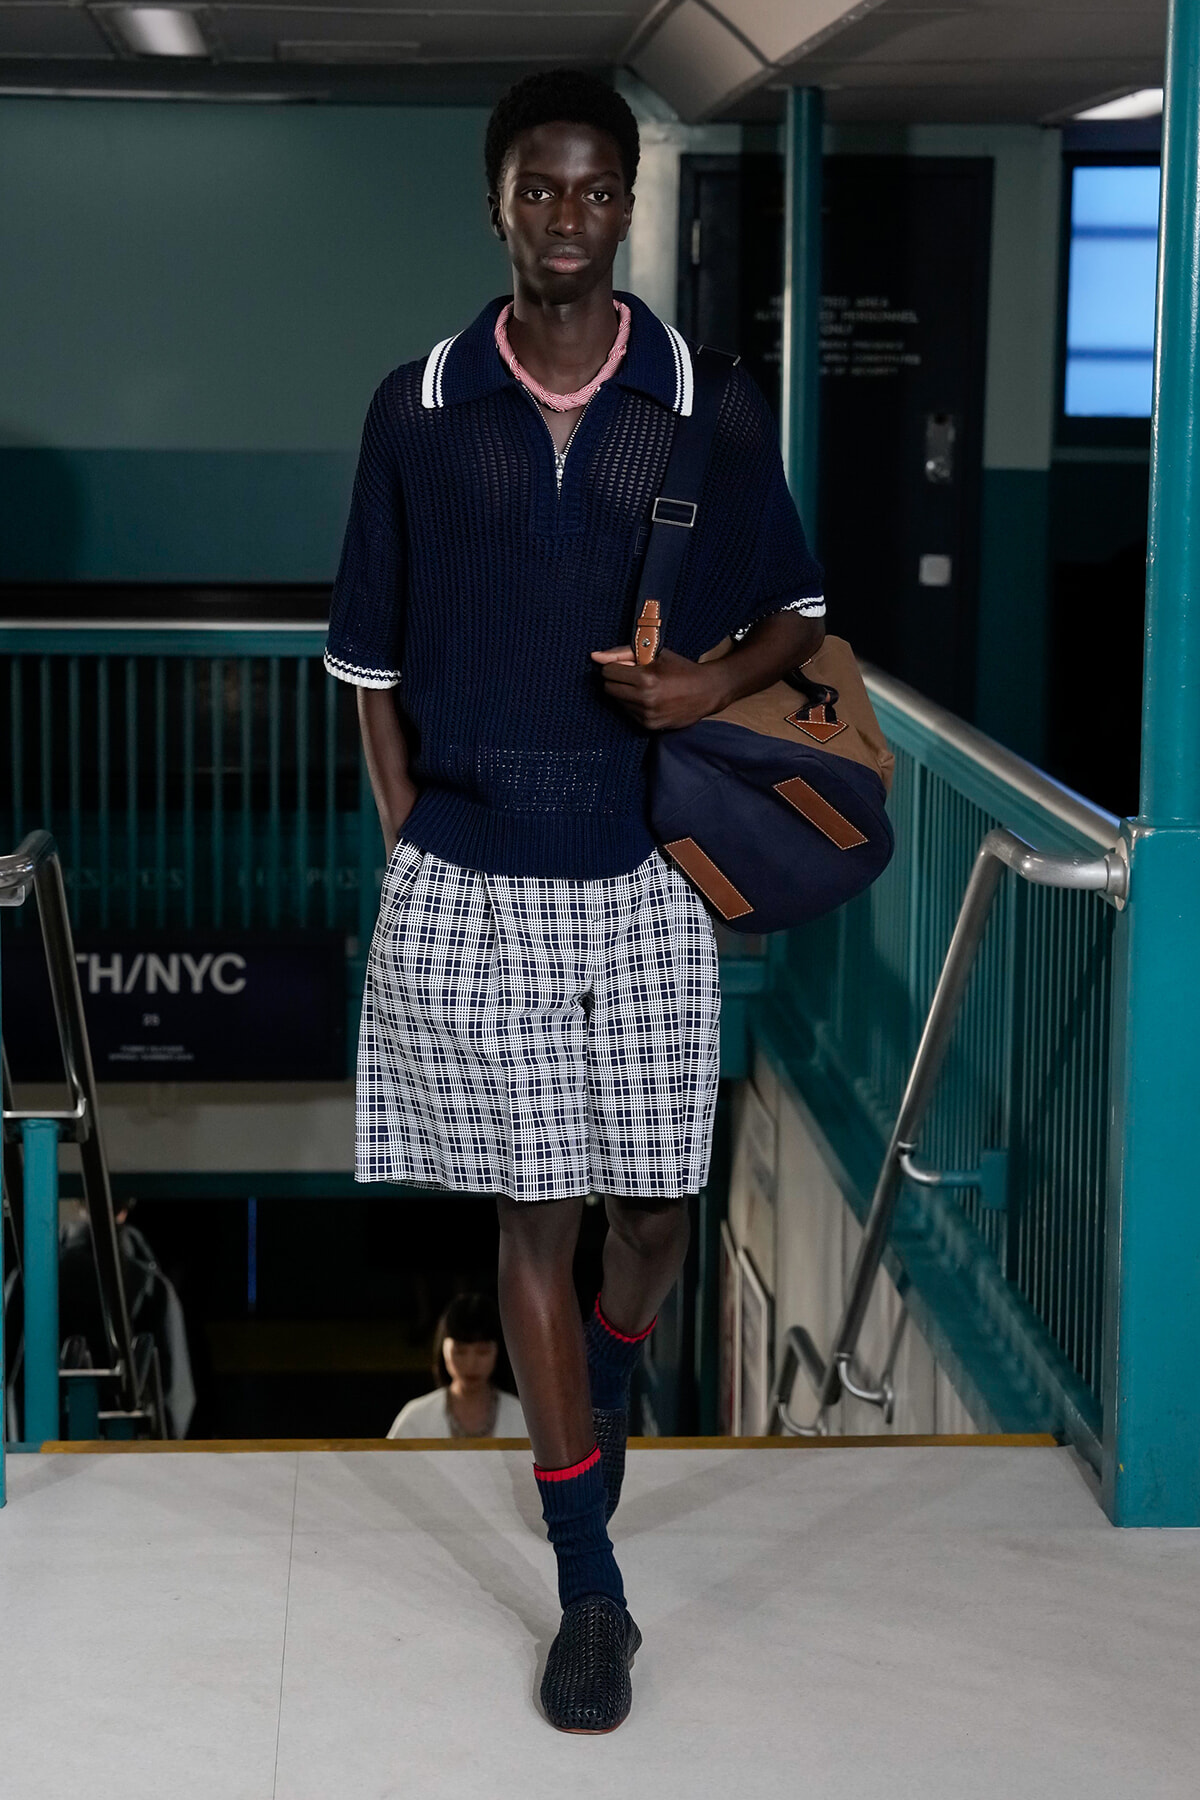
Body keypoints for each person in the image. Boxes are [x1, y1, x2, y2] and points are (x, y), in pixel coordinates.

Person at [324, 68, 824, 1732]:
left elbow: (799, 621)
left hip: (645, 868)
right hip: (479, 864)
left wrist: (693, 699)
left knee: (657, 1209)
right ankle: (587, 1582)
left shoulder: (701, 403)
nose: (564, 214)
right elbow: (368, 666)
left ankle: (598, 1385)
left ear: (625, 207)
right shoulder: (419, 407)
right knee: (529, 1213)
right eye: (537, 187)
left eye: (593, 189)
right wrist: (414, 834)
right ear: (498, 205)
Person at [387, 1291, 527, 1438]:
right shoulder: (416, 1417)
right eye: (460, 1351)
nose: (471, 1363)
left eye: (482, 1352)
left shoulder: (522, 1418)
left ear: (499, 1351)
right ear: (443, 1350)